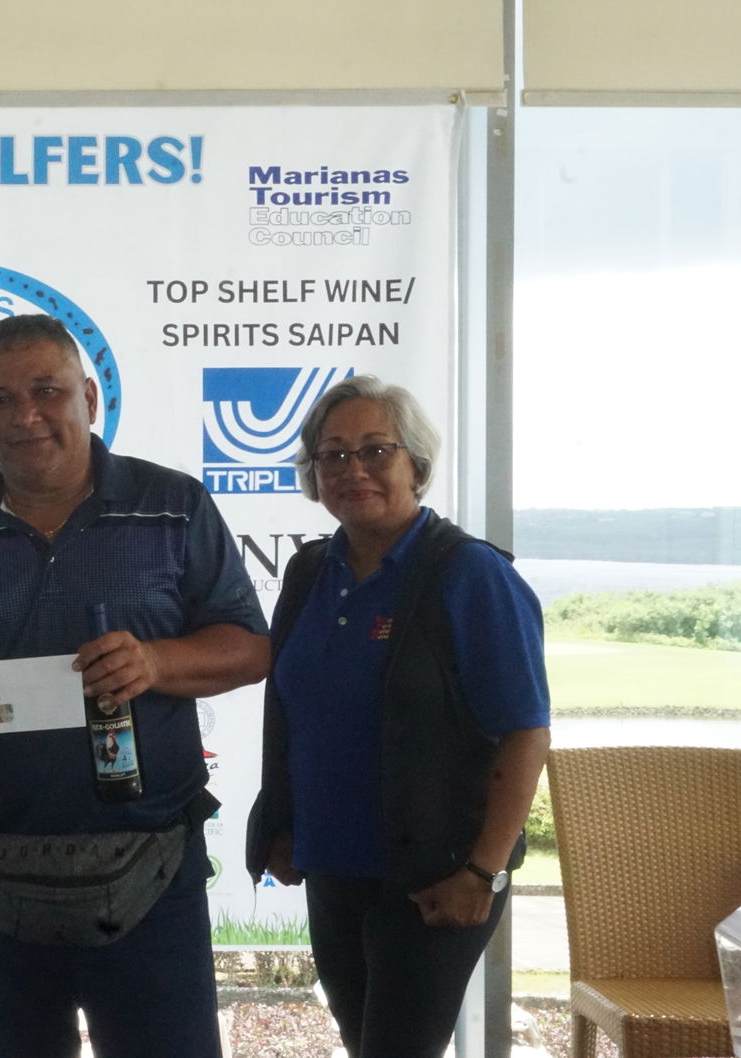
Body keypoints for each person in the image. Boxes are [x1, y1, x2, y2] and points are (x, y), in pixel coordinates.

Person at [0, 313, 270, 1058]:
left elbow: (250, 648)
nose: (24, 415)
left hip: (152, 867)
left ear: (89, 398)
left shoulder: (176, 505)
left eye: (46, 390)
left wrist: (156, 664)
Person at [244, 375, 551, 1058]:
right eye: (332, 455)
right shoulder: (308, 572)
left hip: (438, 879)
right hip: (333, 871)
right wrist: (284, 824)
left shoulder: (470, 575)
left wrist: (483, 873)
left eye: (375, 450)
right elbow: (295, 712)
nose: (353, 470)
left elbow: (526, 731)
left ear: (416, 462)